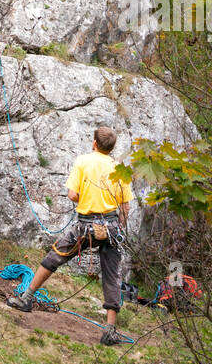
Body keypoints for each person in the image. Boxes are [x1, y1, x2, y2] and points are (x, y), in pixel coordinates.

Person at [7, 125, 134, 346]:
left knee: (54, 257)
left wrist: (85, 199)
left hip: (85, 226)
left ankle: (26, 298)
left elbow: (73, 194)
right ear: (112, 148)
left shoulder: (83, 162)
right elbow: (125, 206)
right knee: (112, 275)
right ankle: (110, 330)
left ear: (95, 143)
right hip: (112, 227)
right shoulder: (120, 169)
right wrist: (119, 227)